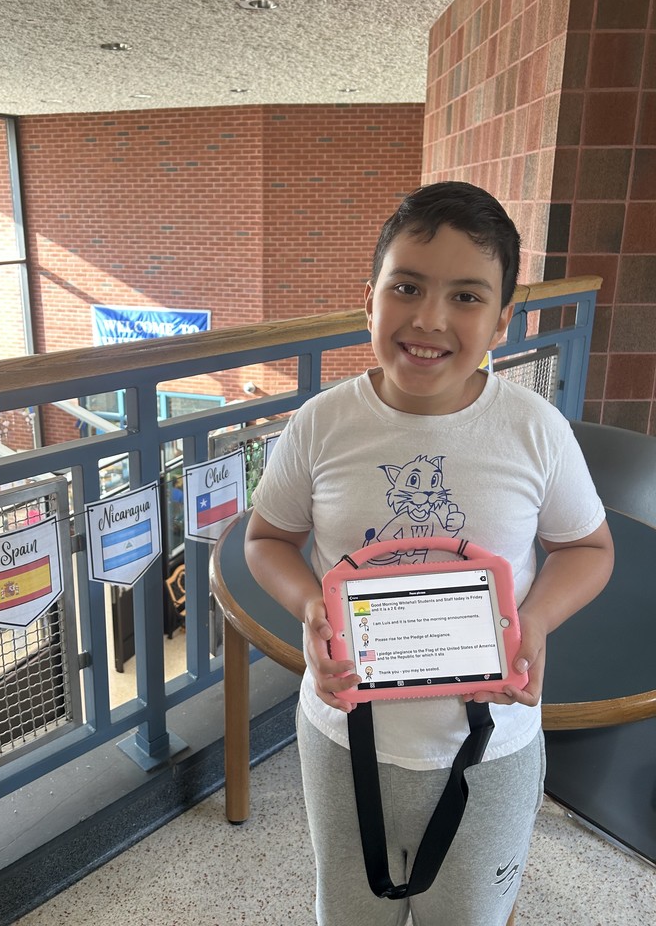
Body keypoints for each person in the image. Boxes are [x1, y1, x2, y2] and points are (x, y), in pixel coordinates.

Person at [244, 181, 614, 926]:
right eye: (406, 286)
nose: (430, 319)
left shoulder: (534, 430)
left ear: (504, 320)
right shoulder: (321, 424)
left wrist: (536, 620)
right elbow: (267, 539)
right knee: (349, 914)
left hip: (493, 747)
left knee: (473, 914)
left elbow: (588, 547)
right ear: (370, 299)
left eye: (468, 297)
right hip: (344, 738)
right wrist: (309, 602)